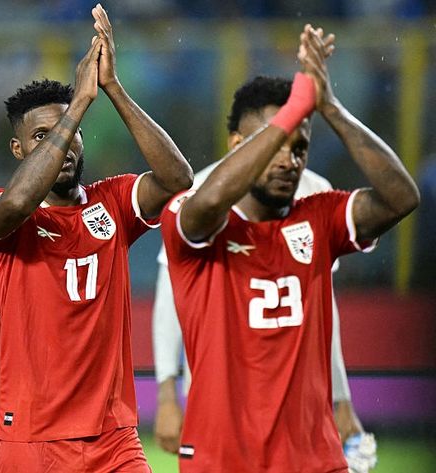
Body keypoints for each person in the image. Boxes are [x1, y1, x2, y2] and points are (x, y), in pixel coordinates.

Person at [160, 25, 418, 472]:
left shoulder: (319, 214)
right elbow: (205, 207)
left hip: (312, 458)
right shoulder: (193, 211)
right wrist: (166, 387)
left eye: (300, 147)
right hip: (222, 457)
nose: (290, 160)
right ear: (238, 146)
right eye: (276, 145)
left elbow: (401, 198)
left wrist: (330, 108)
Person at [0, 5, 192, 471]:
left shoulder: (110, 202)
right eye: (42, 136)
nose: (64, 144)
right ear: (19, 149)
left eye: (71, 133)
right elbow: (15, 205)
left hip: (114, 437)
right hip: (33, 439)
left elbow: (176, 179)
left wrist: (113, 89)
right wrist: (76, 106)